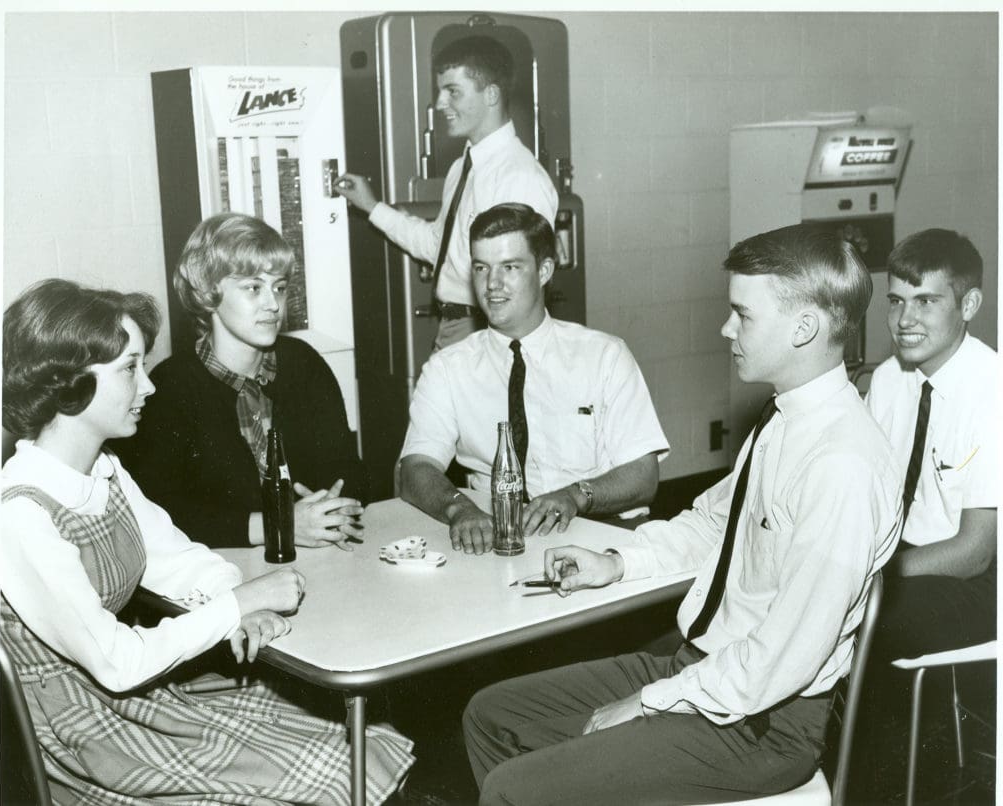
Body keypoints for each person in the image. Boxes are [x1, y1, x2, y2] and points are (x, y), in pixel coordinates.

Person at [461, 224, 902, 804]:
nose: (726, 329)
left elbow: (780, 660)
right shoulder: (784, 420)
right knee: (491, 714)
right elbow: (717, 523)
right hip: (704, 668)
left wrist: (647, 702)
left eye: (742, 315)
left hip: (759, 723)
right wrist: (615, 562)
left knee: (510, 791)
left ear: (804, 328)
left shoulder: (842, 463)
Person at [0, 279, 413, 805]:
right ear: (69, 386)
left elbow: (177, 559)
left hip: (132, 697)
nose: (148, 386)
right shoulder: (19, 512)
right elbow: (117, 661)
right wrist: (241, 603)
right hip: (82, 733)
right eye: (130, 369)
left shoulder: (105, 470)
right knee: (330, 775)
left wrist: (233, 600)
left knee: (362, 743)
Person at [400, 203, 668, 555]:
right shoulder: (448, 368)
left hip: (603, 536)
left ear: (544, 271)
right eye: (482, 268)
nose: (492, 284)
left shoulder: (604, 356)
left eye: (510, 267)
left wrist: (576, 495)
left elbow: (643, 477)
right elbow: (415, 466)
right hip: (501, 540)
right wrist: (458, 508)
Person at [114, 212, 367, 550]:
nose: (273, 304)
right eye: (253, 288)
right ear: (207, 292)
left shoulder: (303, 363)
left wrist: (330, 509)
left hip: (322, 554)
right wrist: (281, 524)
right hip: (219, 568)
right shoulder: (169, 388)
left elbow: (349, 469)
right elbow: (157, 514)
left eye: (279, 288)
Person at [336, 35, 558, 350]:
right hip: (457, 327)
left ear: (491, 94)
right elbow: (436, 246)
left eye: (453, 92)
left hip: (488, 332)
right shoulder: (462, 167)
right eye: (441, 92)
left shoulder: (518, 177)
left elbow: (521, 286)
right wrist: (371, 206)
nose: (440, 104)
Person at [865, 229, 997, 660]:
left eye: (926, 301)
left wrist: (875, 574)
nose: (905, 320)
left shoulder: (991, 391)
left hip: (971, 579)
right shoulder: (888, 380)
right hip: (894, 558)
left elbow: (975, 551)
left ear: (969, 305)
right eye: (896, 300)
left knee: (861, 616)